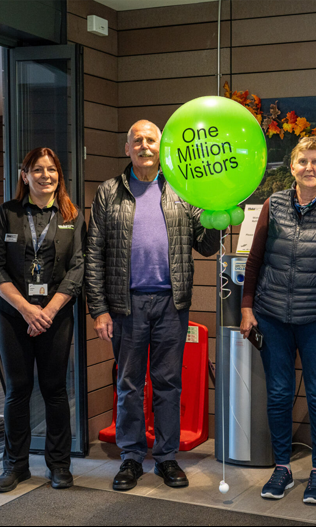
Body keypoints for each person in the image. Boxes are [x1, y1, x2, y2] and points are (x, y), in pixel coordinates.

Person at [86, 120, 222, 491]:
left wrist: (219, 213)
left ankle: (166, 457)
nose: (145, 146)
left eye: (151, 140)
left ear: (162, 148)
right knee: (129, 384)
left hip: (170, 304)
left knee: (168, 383)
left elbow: (206, 245)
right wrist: (98, 308)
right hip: (124, 304)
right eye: (138, 140)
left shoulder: (181, 189)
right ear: (127, 148)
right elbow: (93, 253)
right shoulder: (108, 192)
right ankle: (131, 458)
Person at [240, 135, 316, 506]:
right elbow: (254, 260)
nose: (310, 167)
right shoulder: (272, 204)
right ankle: (283, 468)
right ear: (292, 167)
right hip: (272, 317)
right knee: (278, 394)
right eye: (303, 161)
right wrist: (246, 308)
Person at [0, 147, 85, 493]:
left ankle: (59, 465)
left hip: (56, 315)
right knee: (18, 391)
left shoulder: (73, 216)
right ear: (24, 176)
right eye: (37, 170)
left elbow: (78, 268)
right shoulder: (6, 214)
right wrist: (27, 308)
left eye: (51, 170)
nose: (45, 176)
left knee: (55, 390)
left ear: (60, 175)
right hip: (13, 316)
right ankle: (15, 465)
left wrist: (49, 311)